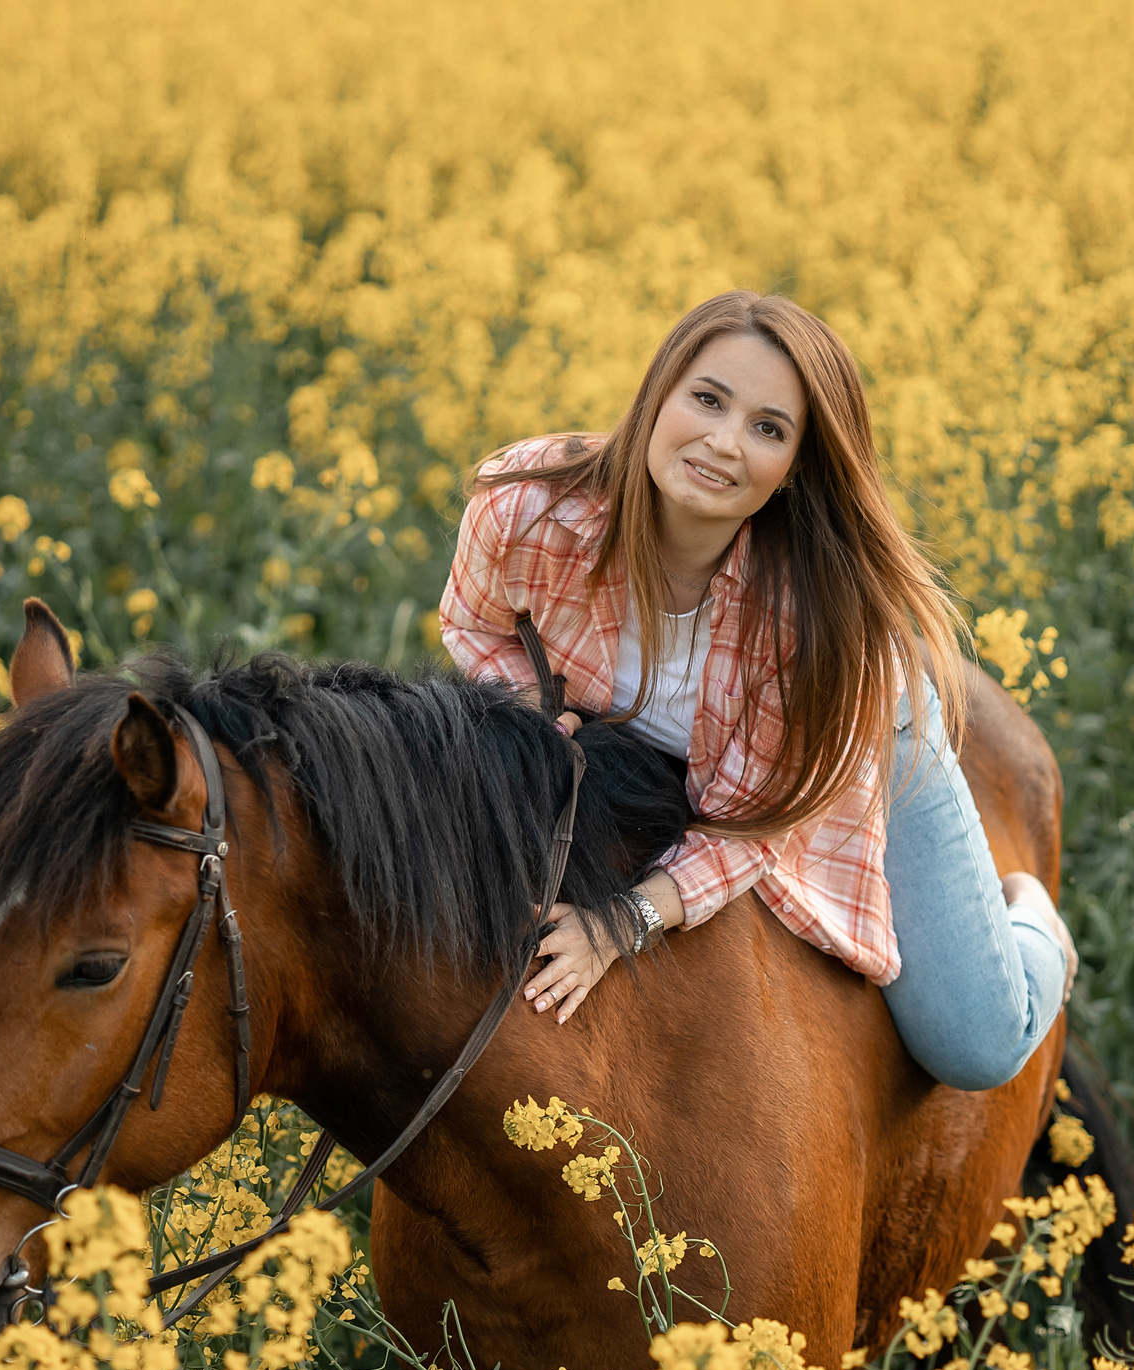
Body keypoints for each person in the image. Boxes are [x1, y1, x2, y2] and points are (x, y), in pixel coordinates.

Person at [439, 290, 1075, 1091]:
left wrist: (623, 923)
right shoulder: (526, 505)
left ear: (794, 469)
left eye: (767, 429)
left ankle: (1030, 920)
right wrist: (524, 702)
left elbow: (751, 828)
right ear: (658, 392)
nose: (723, 443)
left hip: (845, 746)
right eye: (707, 400)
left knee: (977, 1045)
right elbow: (474, 626)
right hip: (677, 758)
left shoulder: (818, 627)